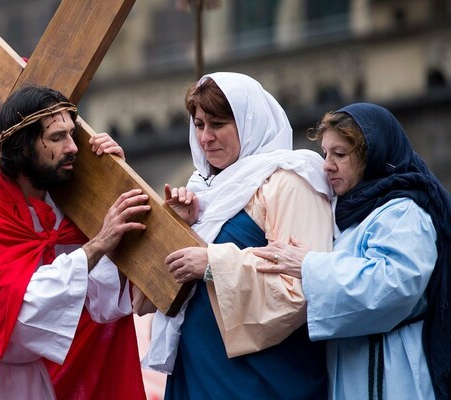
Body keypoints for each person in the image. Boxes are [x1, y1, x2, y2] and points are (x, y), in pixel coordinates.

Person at [0, 85, 150, 399]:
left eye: (71, 134)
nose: (73, 147)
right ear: (23, 148)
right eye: (56, 137)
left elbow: (96, 295)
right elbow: (22, 310)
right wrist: (98, 244)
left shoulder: (63, 207)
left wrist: (114, 179)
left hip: (33, 385)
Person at [141, 72, 334, 399]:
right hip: (199, 367)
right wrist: (179, 227)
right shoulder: (200, 191)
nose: (205, 138)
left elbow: (304, 285)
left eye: (218, 124)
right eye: (199, 125)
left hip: (262, 377)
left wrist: (212, 262)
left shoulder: (289, 180)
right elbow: (154, 290)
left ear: (248, 122)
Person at [252, 103, 451, 399]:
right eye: (325, 153)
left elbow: (394, 285)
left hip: (393, 374)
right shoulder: (351, 211)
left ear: (372, 156)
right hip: (354, 368)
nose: (327, 165)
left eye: (340, 154)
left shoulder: (404, 211)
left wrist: (310, 266)